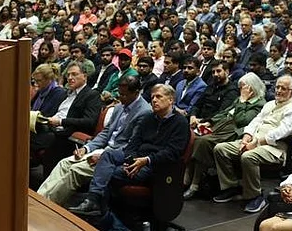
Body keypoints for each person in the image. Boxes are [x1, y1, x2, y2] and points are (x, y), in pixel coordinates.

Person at [67, 84, 190, 220]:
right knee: (108, 154)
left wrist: (145, 160)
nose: (154, 100)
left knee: (112, 172)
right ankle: (93, 200)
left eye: (159, 97)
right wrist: (131, 160)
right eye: (152, 97)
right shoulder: (149, 118)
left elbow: (172, 153)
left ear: (171, 100)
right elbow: (133, 143)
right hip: (137, 157)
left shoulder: (180, 123)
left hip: (155, 166)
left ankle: (103, 211)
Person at [37, 75, 151, 205]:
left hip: (114, 157)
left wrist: (103, 156)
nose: (120, 98)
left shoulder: (144, 112)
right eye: (119, 94)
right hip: (101, 150)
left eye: (124, 95)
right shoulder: (120, 107)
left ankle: (46, 206)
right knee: (64, 163)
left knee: (75, 170)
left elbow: (131, 146)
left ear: (136, 93)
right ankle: (39, 199)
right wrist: (86, 148)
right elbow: (105, 133)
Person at [213, 75, 292, 212]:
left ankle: (255, 196)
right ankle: (231, 187)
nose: (278, 91)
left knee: (248, 156)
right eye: (277, 87)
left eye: (283, 89)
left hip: (275, 148)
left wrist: (256, 143)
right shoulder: (269, 104)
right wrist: (246, 137)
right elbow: (255, 121)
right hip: (253, 141)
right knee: (220, 149)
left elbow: (282, 132)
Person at [184, 72, 267, 199]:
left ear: (251, 88)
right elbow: (225, 112)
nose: (240, 90)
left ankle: (194, 184)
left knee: (202, 142)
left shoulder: (259, 104)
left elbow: (242, 120)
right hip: (223, 127)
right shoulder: (239, 99)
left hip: (236, 132)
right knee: (194, 136)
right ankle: (187, 179)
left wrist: (243, 101)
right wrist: (209, 121)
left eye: (243, 87)